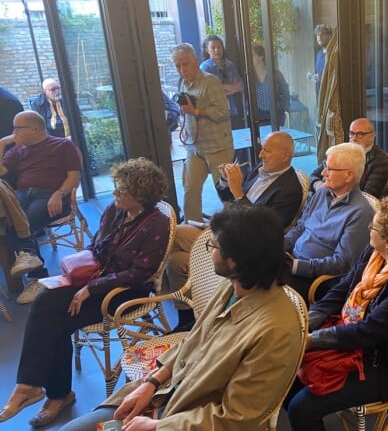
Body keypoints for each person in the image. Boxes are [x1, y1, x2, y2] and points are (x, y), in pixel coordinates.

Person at [57, 205, 304, 430]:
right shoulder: (234, 286)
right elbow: (194, 338)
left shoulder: (276, 332)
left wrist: (158, 426)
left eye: (214, 247)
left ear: (234, 262)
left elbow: (236, 418)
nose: (211, 253)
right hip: (167, 394)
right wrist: (151, 383)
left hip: (188, 419)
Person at [0, 158, 170, 428]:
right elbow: (96, 246)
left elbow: (138, 274)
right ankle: (31, 386)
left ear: (140, 196)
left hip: (124, 292)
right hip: (95, 278)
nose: (114, 193)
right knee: (45, 301)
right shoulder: (115, 210)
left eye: (121, 190)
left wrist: (90, 288)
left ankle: (53, 394)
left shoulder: (157, 225)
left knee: (56, 320)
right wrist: (77, 276)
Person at [285, 197, 388, 431]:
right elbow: (344, 286)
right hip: (355, 335)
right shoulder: (375, 253)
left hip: (384, 362)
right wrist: (310, 319)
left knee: (300, 408)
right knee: (286, 374)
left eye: (372, 227)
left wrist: (311, 340)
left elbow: (368, 332)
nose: (368, 229)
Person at [164, 131, 304, 331]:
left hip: (242, 246)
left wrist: (239, 193)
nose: (261, 155)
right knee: (175, 234)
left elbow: (262, 231)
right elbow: (227, 197)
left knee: (177, 261)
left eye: (267, 151)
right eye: (262, 149)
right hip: (225, 230)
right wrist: (224, 181)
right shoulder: (260, 170)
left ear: (285, 155)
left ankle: (192, 317)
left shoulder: (290, 190)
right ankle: (186, 314)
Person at [0, 110, 82, 304]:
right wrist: (2, 144)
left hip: (52, 196)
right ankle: (31, 261)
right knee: (8, 218)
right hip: (22, 194)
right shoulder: (18, 150)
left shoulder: (63, 145)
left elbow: (74, 176)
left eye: (17, 128)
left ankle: (36, 274)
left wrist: (59, 193)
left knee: (24, 220)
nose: (14, 132)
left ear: (33, 129)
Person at [284, 142, 374, 302]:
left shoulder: (361, 212)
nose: (323, 172)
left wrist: (295, 266)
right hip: (291, 261)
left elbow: (342, 263)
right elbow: (300, 227)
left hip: (315, 279)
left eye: (330, 169)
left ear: (349, 175)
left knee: (260, 287)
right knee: (250, 266)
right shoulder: (321, 194)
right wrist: (279, 247)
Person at [172, 43, 234, 223]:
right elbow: (186, 110)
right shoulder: (182, 83)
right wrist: (186, 126)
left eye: (185, 64)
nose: (182, 70)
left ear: (195, 61)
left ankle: (234, 230)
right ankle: (192, 230)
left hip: (217, 147)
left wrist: (196, 111)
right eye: (177, 66)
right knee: (190, 190)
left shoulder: (210, 81)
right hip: (194, 147)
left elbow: (223, 112)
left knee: (226, 192)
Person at [309, 118, 388, 198]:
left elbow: (369, 196)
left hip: (347, 203)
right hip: (320, 197)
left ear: (372, 136)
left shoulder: (381, 160)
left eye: (360, 134)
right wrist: (318, 185)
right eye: (352, 133)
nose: (354, 138)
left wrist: (332, 194)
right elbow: (312, 176)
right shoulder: (340, 150)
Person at [200, 34, 245, 129]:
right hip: (215, 112)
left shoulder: (230, 65)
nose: (217, 50)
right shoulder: (205, 67)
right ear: (207, 50)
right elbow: (209, 92)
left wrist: (219, 86)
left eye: (219, 47)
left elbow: (239, 86)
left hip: (232, 110)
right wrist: (230, 88)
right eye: (213, 48)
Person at [251, 43, 290, 126]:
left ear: (261, 57)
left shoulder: (275, 73)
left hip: (275, 113)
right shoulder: (250, 76)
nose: (250, 58)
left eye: (253, 55)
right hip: (259, 115)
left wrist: (284, 109)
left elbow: (285, 92)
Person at [308, 24, 332, 95]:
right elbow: (320, 74)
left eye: (322, 34)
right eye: (317, 35)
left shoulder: (333, 53)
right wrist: (313, 76)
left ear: (329, 36)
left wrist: (320, 77)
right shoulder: (318, 54)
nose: (319, 37)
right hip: (321, 94)